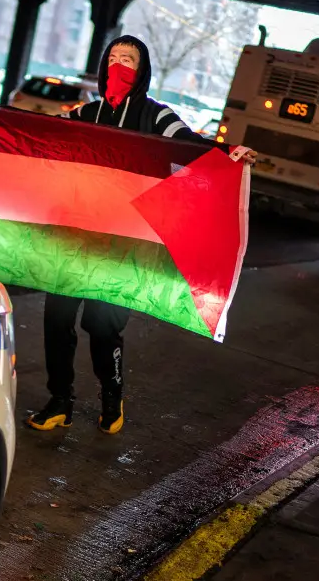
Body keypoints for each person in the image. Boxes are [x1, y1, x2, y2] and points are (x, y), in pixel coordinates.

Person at [26, 35, 255, 435]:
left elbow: (192, 146)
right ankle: (59, 399)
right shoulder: (87, 112)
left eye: (128, 59)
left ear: (142, 68)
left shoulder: (156, 115)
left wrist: (230, 152)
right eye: (113, 58)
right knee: (57, 319)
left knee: (101, 327)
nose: (119, 66)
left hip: (122, 247)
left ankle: (111, 396)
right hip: (76, 237)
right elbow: (42, 132)